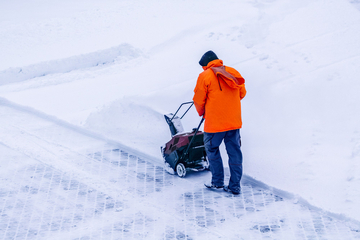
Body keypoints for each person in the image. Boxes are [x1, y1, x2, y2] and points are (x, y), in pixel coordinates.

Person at [193, 50, 246, 194]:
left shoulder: (205, 76)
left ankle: (217, 183)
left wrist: (203, 112)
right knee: (234, 152)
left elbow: (198, 100)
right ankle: (235, 186)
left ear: (205, 65)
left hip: (214, 124)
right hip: (234, 122)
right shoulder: (233, 72)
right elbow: (242, 93)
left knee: (212, 150)